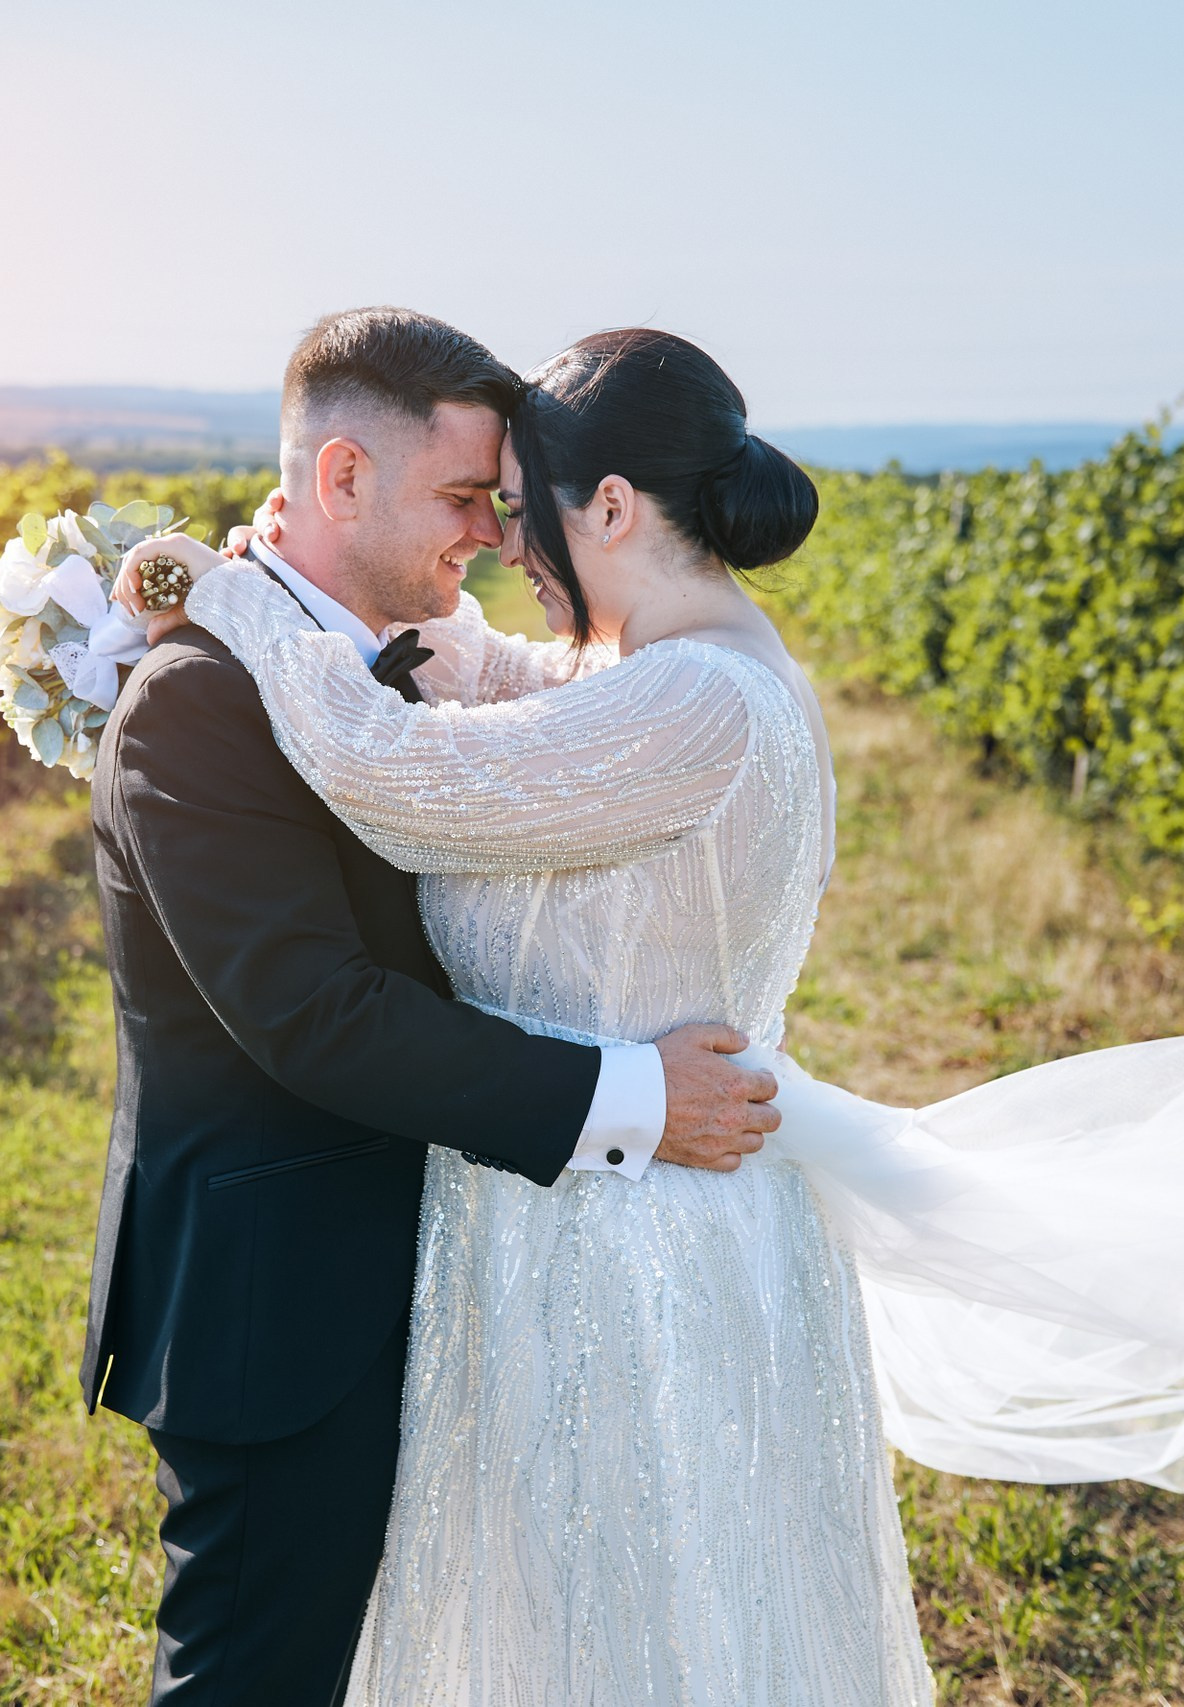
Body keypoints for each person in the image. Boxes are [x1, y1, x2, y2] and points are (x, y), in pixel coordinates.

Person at [127, 327, 1184, 1706]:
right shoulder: (674, 671)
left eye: (526, 513)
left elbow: (397, 774)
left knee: (642, 1628)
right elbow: (490, 684)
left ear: (618, 514)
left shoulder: (686, 711)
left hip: (636, 1252)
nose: (503, 548)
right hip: (585, 1230)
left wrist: (224, 596)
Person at [83, 308, 783, 1707]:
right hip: (285, 1305)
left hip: (468, 1272)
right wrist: (634, 1097)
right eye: (464, 498)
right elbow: (316, 1014)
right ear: (341, 479)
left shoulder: (402, 664)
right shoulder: (198, 699)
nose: (488, 535)